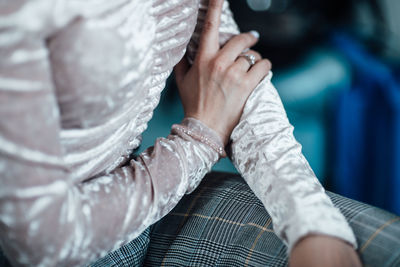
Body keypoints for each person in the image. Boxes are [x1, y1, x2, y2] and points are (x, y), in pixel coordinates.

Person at [0, 0, 399, 266]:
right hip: (54, 244)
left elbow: (232, 76)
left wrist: (312, 224)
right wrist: (199, 137)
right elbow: (37, 240)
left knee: (384, 251)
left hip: (145, 210)